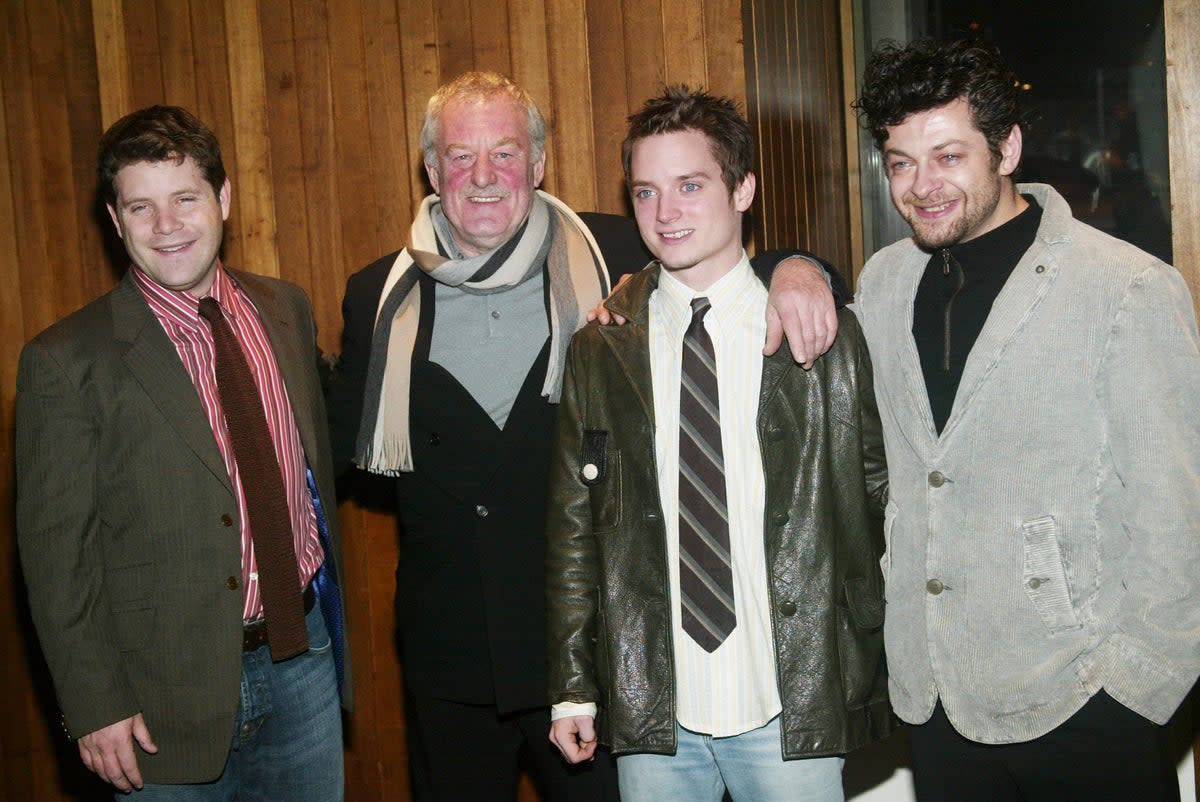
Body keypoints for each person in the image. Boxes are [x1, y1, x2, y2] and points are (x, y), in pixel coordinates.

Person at [777, 37, 1200, 799]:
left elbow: (1179, 516)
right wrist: (792, 263)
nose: (921, 186)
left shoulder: (1127, 288)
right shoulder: (886, 278)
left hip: (1087, 701)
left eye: (947, 156)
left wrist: (1136, 692)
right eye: (900, 162)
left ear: (1007, 147)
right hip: (938, 701)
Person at [544, 86, 891, 802]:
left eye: (690, 186)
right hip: (655, 706)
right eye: (645, 192)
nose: (665, 213)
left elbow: (880, 497)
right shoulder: (601, 349)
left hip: (789, 696)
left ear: (744, 190)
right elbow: (574, 527)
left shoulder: (819, 335)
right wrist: (573, 688)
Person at [325, 71, 649, 801]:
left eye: (503, 153)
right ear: (432, 169)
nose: (482, 178)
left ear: (537, 164)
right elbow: (331, 440)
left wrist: (798, 271)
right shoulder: (376, 296)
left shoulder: (618, 254)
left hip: (590, 653)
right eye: (459, 156)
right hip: (451, 658)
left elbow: (727, 267)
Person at [15, 106, 351, 799]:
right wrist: (95, 703)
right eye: (141, 207)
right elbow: (56, 558)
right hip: (158, 699)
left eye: (185, 199)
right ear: (115, 220)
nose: (166, 226)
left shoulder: (285, 310)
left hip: (304, 661)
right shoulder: (64, 362)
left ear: (223, 199)